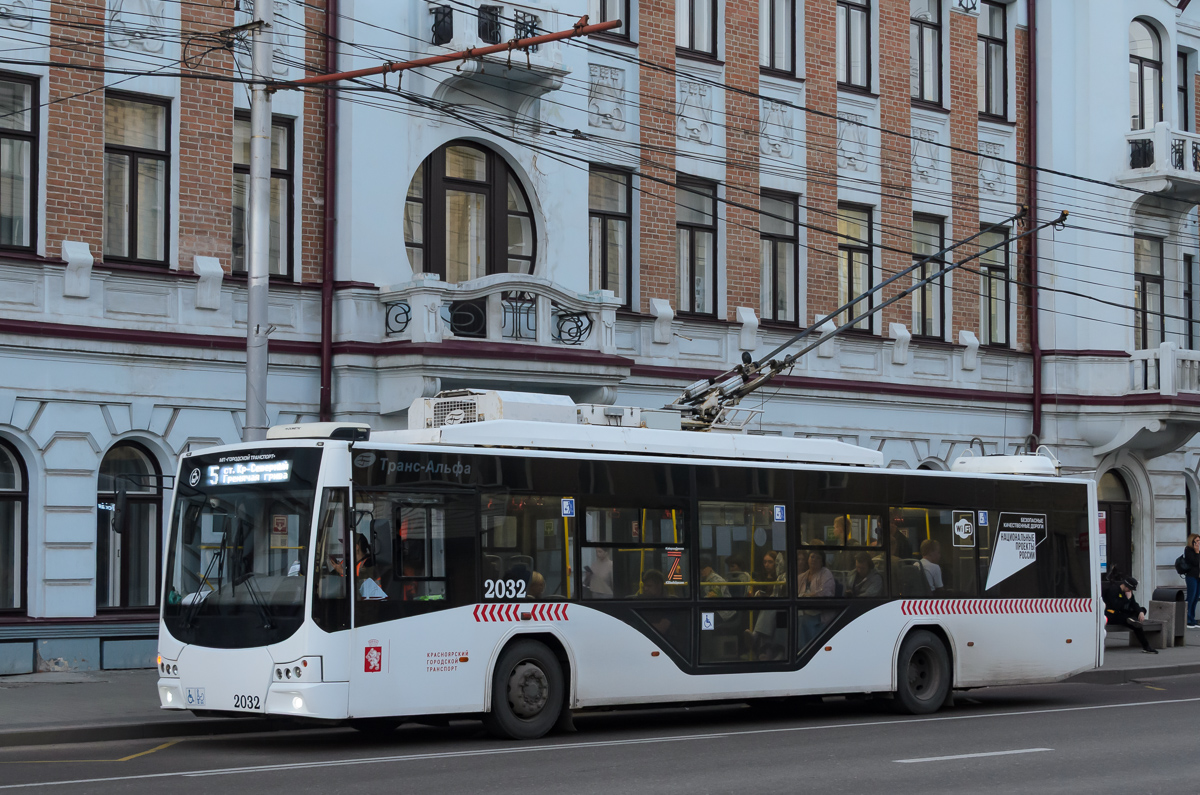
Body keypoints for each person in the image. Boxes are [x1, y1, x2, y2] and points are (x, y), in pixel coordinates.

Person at [747, 551, 788, 659]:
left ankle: (767, 649)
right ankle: (768, 651)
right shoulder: (763, 576)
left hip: (782, 607)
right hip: (772, 606)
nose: (767, 565)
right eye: (765, 562)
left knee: (776, 617)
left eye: (770, 562)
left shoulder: (782, 577)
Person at [1103, 576, 1158, 654]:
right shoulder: (1113, 590)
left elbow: (1134, 604)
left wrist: (1140, 612)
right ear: (1126, 586)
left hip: (1123, 614)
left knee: (1141, 612)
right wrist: (1127, 599)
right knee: (1131, 622)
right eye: (1130, 589)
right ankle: (1132, 620)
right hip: (1111, 615)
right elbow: (1116, 606)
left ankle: (1146, 646)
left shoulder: (1128, 593)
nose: (1130, 591)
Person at [797, 549, 836, 649]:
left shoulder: (826, 574)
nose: (814, 560)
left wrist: (806, 596)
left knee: (802, 621)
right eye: (812, 557)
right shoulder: (802, 577)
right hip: (803, 611)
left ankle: (803, 650)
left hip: (820, 613)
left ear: (822, 561)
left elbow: (825, 593)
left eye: (818, 558)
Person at [1185, 534, 1200, 628]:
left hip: (1198, 577)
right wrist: (1196, 552)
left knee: (1196, 598)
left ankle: (1193, 619)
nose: (1198, 543)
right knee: (1190, 597)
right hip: (1191, 577)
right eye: (1197, 541)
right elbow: (1194, 562)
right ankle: (1187, 619)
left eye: (1199, 541)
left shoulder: (1198, 551)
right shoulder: (1188, 550)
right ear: (1192, 541)